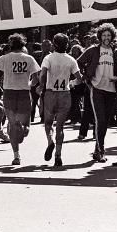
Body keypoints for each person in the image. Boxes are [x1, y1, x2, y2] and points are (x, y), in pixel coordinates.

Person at [0, 33, 41, 165]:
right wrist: (30, 84)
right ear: (23, 44)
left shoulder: (5, 58)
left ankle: (16, 155)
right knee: (23, 127)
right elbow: (36, 78)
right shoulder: (29, 59)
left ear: (11, 45)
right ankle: (21, 130)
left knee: (13, 125)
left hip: (9, 93)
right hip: (24, 92)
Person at [77, 23, 117, 163]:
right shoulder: (93, 50)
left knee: (105, 122)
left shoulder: (116, 52)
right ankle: (100, 150)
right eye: (104, 35)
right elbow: (78, 62)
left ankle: (98, 150)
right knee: (100, 120)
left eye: (109, 35)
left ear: (112, 36)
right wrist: (86, 78)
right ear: (100, 36)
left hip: (111, 90)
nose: (106, 38)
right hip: (96, 89)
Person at [38, 33, 82, 167]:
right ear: (67, 44)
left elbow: (43, 74)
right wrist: (71, 84)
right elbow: (79, 79)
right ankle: (58, 154)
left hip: (51, 93)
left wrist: (41, 87)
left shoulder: (48, 58)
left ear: (53, 44)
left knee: (48, 123)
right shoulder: (71, 60)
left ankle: (50, 141)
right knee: (60, 127)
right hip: (65, 93)